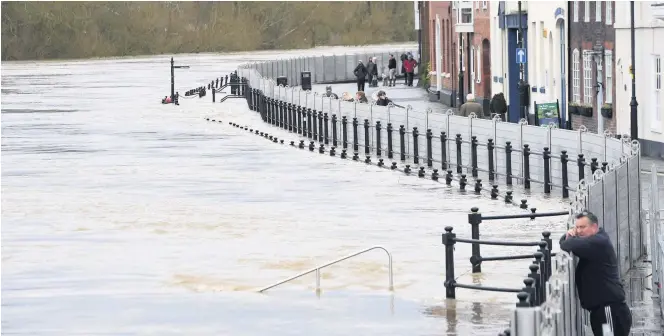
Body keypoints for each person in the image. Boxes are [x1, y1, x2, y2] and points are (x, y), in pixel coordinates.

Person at [559, 211, 632, 336]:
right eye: (577, 227)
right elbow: (567, 243)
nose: (579, 231)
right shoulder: (596, 240)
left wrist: (570, 235)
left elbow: (567, 244)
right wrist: (569, 234)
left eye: (582, 227)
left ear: (594, 227)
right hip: (603, 310)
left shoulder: (598, 243)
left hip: (609, 310)